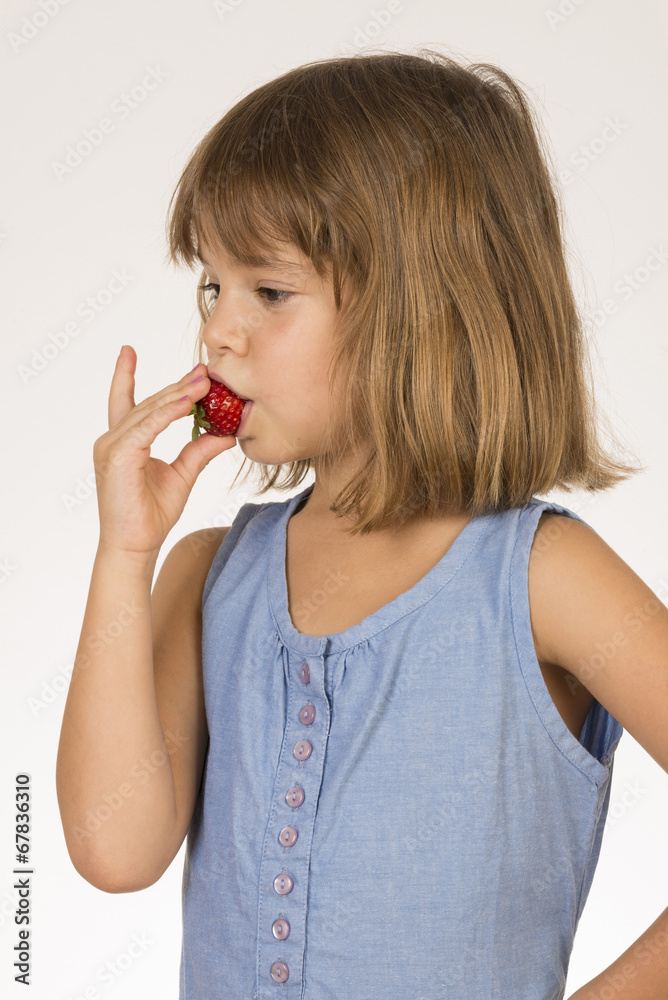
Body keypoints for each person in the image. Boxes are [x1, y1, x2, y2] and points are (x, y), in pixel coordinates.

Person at [56, 48, 668, 1000]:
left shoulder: (544, 578)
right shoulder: (210, 576)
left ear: (419, 311)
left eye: (269, 290)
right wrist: (123, 555)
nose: (217, 331)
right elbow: (112, 849)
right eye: (210, 285)